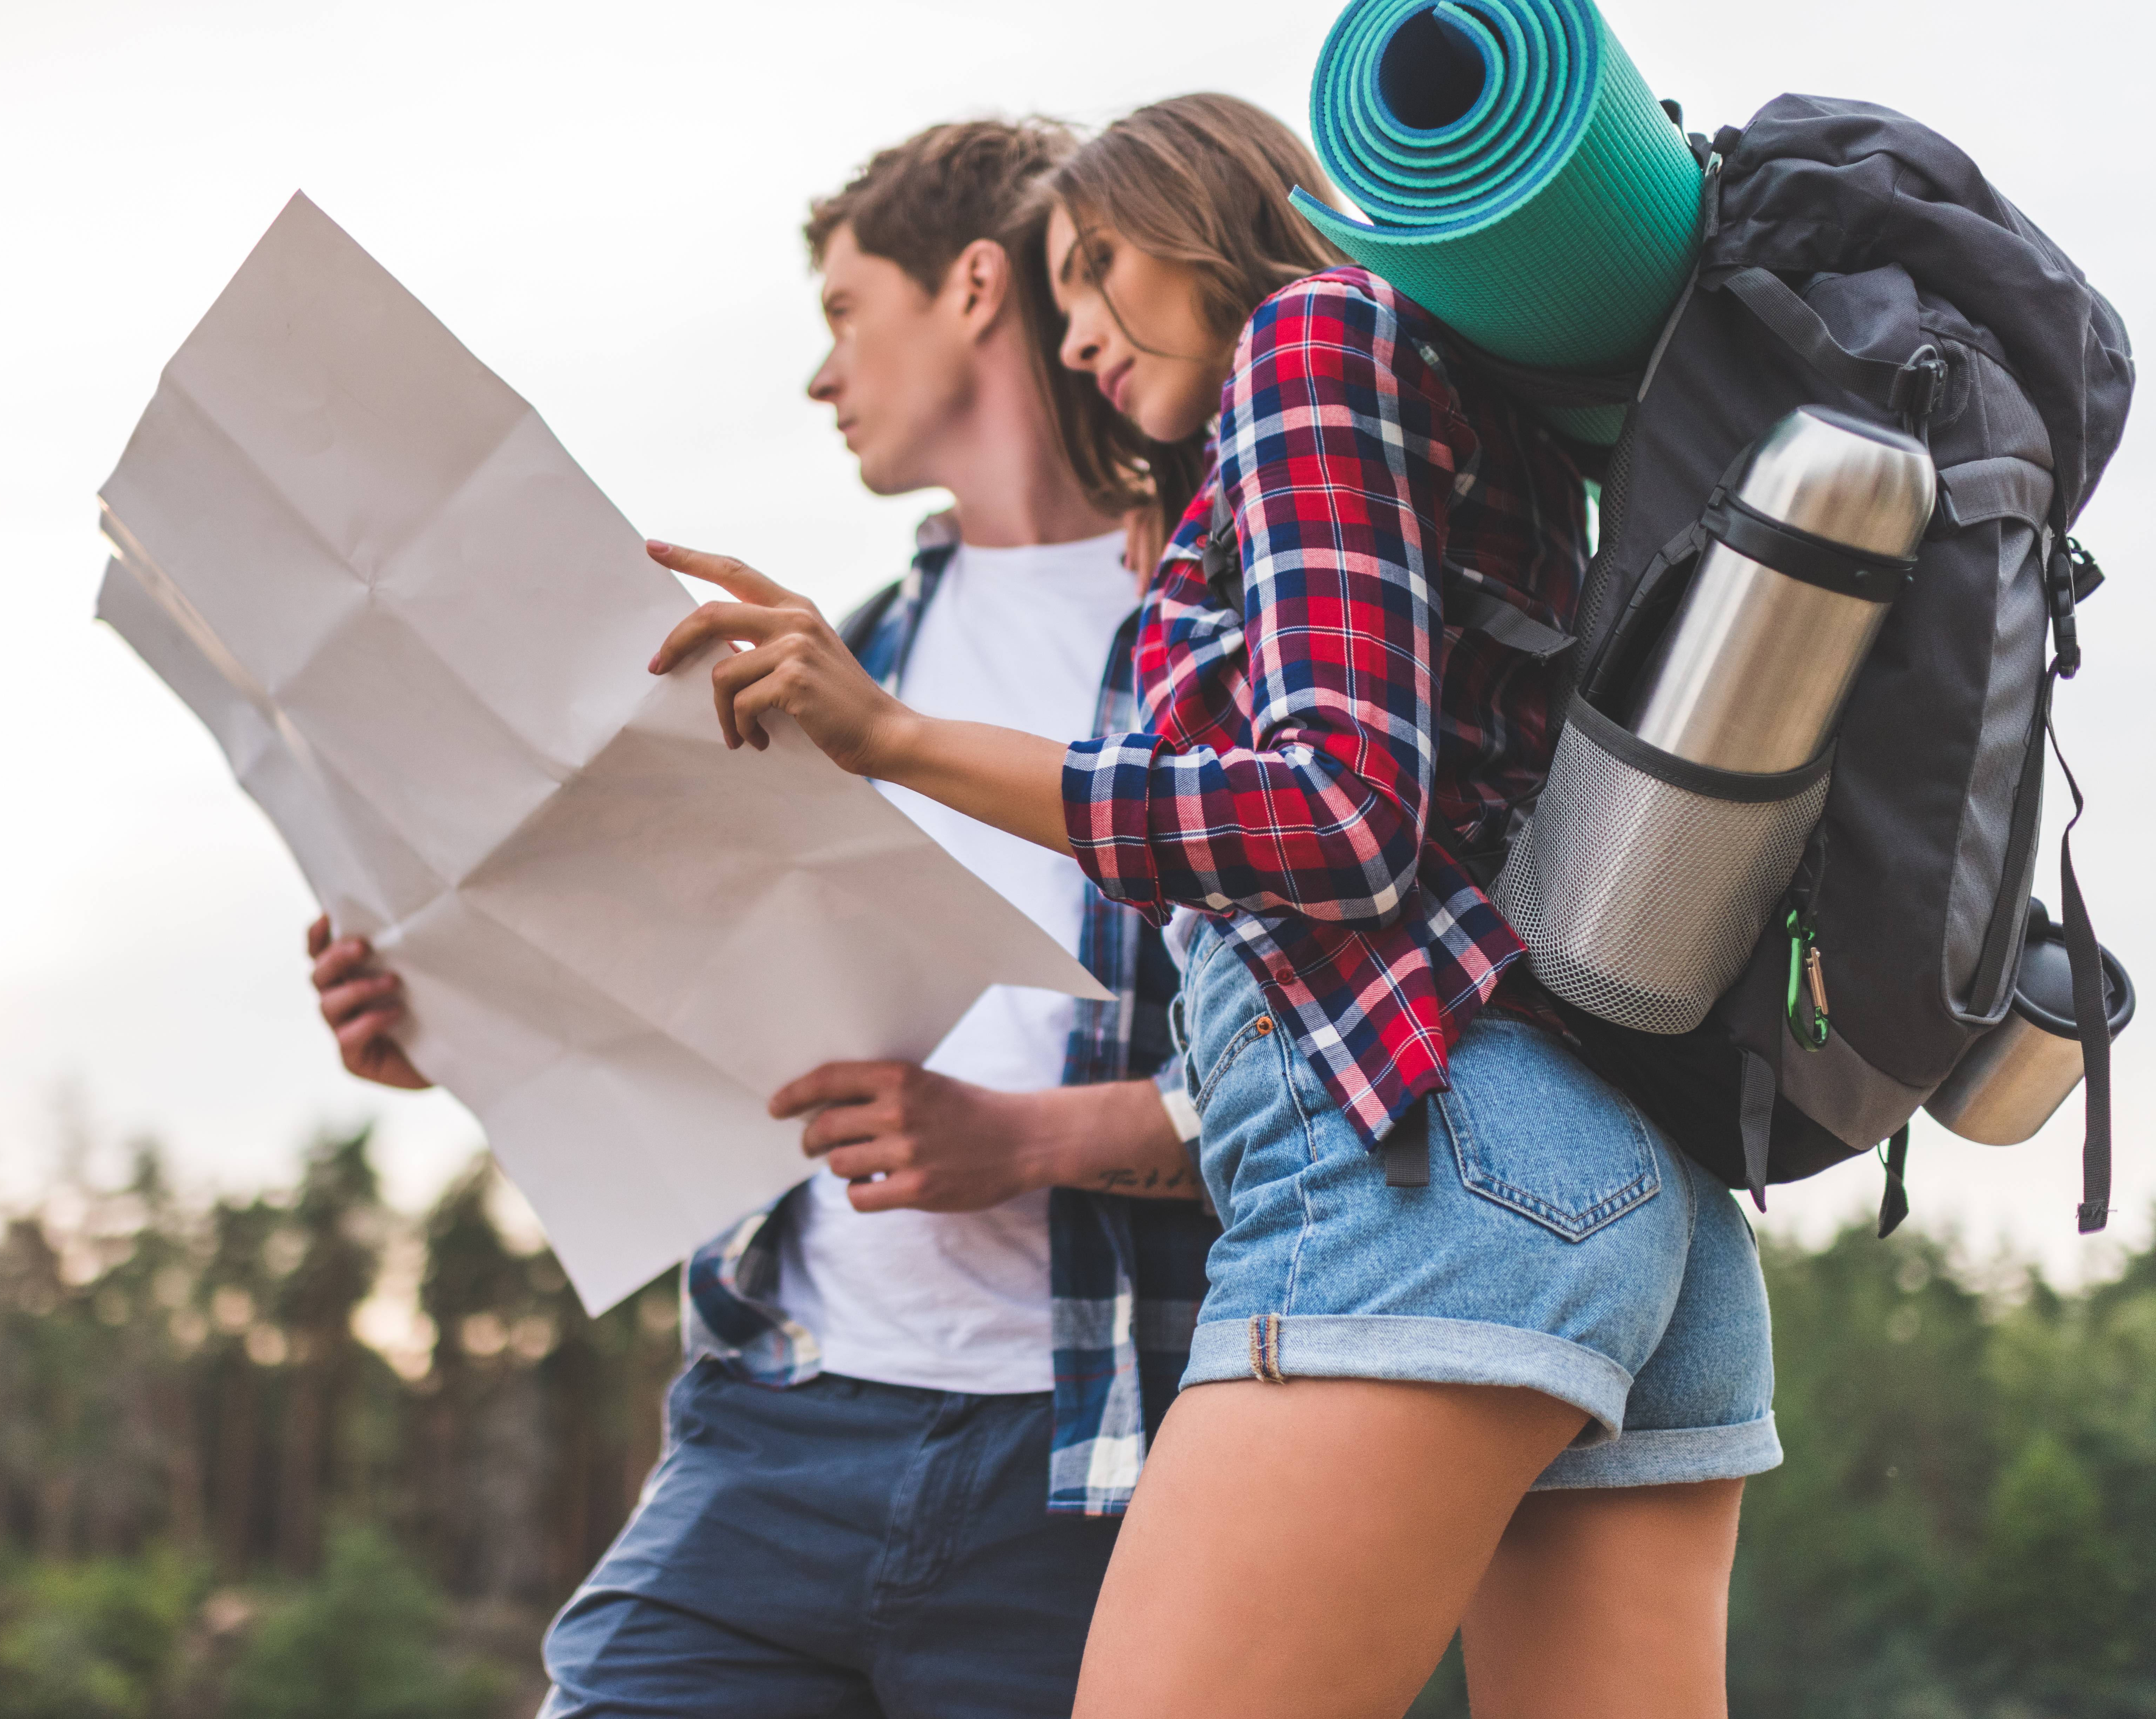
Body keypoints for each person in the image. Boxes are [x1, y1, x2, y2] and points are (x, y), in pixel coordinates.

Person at [641, 92, 1781, 1719]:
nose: (1082, 329)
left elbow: (1339, 810)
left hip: (1420, 1177)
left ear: (1208, 220)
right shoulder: (1459, 410)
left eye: (1098, 265)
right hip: (1625, 1189)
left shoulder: (1307, 340)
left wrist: (897, 740)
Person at [309, 118, 1218, 1718]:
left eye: (842, 312)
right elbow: (718, 1031)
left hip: (1094, 1466)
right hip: (771, 1437)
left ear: (975, 289)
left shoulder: (1221, 637)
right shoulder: (833, 662)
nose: (821, 375)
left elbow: (1345, 1083)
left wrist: (1034, 1137)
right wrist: (452, 1029)